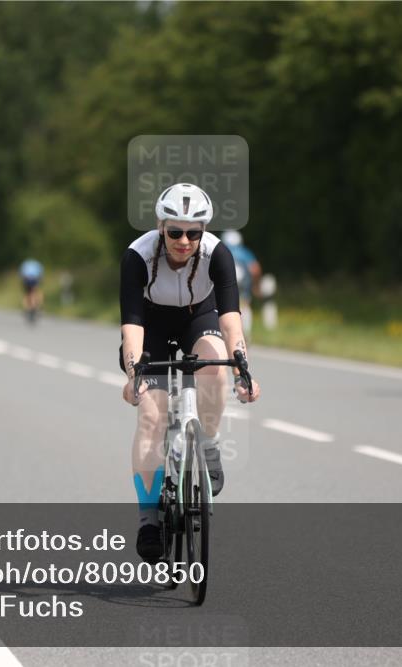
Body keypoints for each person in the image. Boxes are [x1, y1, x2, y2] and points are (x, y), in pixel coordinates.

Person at [119, 183, 261, 563]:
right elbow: (131, 325)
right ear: (160, 226)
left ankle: (210, 446)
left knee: (215, 370)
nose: (184, 241)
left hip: (199, 317)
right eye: (175, 231)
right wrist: (135, 372)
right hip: (151, 326)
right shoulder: (137, 256)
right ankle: (149, 519)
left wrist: (242, 367)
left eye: (194, 232)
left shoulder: (218, 254)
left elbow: (231, 319)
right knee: (151, 415)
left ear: (204, 231)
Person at [221, 230, 262, 336]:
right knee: (245, 306)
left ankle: (224, 332)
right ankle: (245, 333)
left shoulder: (220, 251)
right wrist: (256, 285)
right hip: (243, 284)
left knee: (222, 306)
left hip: (224, 283)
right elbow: (255, 269)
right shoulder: (244, 252)